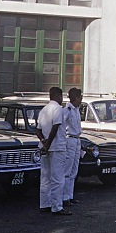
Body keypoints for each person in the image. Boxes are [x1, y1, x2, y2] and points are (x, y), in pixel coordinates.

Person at [36, 87, 70, 215]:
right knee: (58, 178)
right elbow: (55, 127)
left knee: (45, 177)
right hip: (56, 147)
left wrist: (43, 142)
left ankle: (44, 204)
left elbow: (38, 130)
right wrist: (48, 144)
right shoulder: (58, 109)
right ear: (58, 96)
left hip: (45, 147)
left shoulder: (44, 110)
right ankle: (57, 206)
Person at [62, 87, 82, 208]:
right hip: (69, 140)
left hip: (76, 139)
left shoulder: (76, 110)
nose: (81, 100)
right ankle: (64, 197)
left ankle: (70, 195)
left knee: (74, 169)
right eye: (80, 97)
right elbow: (62, 125)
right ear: (75, 98)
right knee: (67, 169)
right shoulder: (67, 110)